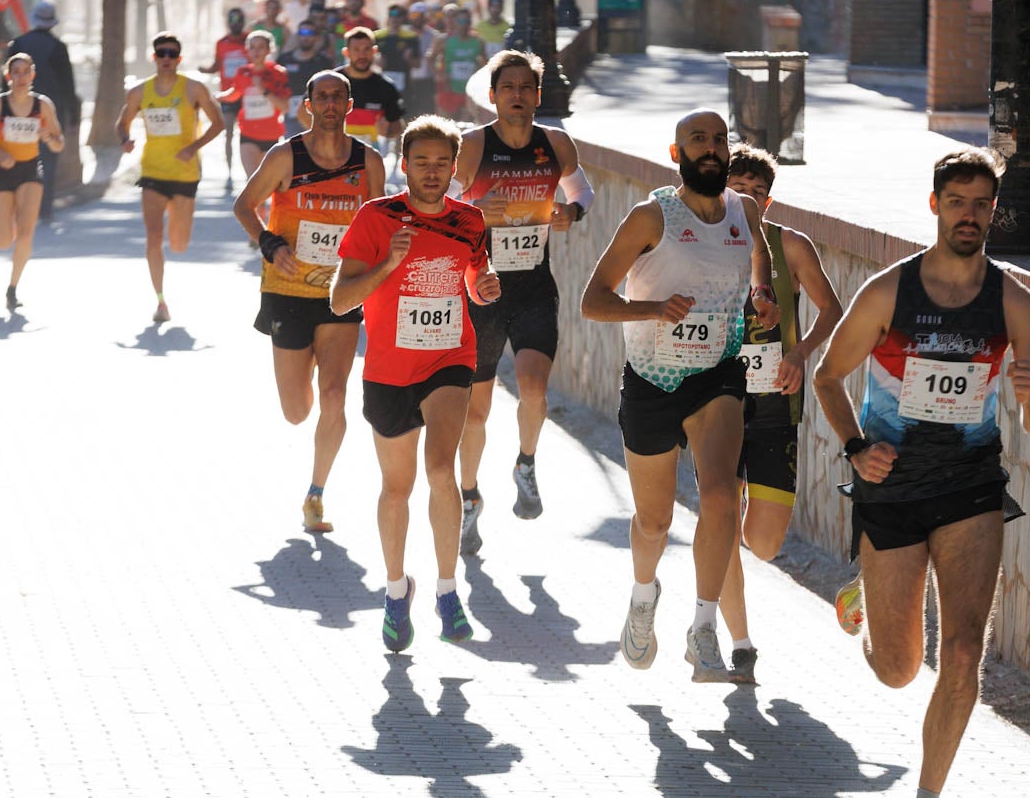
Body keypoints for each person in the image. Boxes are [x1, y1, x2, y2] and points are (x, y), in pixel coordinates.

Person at [811, 147, 1030, 798]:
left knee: (964, 654)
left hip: (972, 489)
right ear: (935, 206)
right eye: (958, 202)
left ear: (994, 211)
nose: (969, 215)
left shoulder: (1014, 302)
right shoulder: (892, 290)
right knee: (898, 669)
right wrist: (856, 448)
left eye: (982, 203)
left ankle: (929, 792)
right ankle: (865, 592)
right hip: (890, 488)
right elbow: (827, 377)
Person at [580, 109, 779, 682]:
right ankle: (644, 598)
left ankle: (704, 628)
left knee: (720, 498)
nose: (711, 149)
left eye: (719, 140)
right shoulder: (652, 216)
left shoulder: (744, 211)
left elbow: (757, 259)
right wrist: (653, 310)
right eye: (699, 140)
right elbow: (594, 300)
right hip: (651, 379)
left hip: (717, 372)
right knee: (653, 522)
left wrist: (760, 295)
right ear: (676, 154)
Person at [329, 116, 501, 652]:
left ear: (455, 167)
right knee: (397, 488)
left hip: (450, 358)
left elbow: (473, 276)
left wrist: (485, 286)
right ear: (404, 165)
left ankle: (448, 592)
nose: (432, 172)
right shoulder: (375, 218)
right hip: (388, 369)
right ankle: (397, 589)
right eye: (421, 163)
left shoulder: (470, 219)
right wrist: (389, 263)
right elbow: (340, 300)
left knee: (440, 468)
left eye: (441, 163)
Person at [450, 50, 594, 554]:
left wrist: (570, 213)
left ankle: (526, 463)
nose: (516, 96)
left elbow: (583, 193)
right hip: (479, 288)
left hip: (534, 284)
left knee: (534, 389)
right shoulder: (470, 147)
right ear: (492, 96)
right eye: (507, 87)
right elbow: (436, 209)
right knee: (475, 411)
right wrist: (473, 210)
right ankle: (469, 498)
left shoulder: (555, 144)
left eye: (525, 88)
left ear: (537, 95)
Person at [235, 70, 385, 534]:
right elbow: (245, 205)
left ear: (349, 104)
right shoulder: (286, 156)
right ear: (308, 105)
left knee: (336, 395)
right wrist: (269, 243)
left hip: (341, 293)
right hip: (288, 291)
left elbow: (378, 222)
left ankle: (316, 494)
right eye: (322, 97)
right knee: (296, 411)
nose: (330, 104)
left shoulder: (368, 162)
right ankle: (306, 370)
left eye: (338, 97)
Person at [715, 144, 844, 683]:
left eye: (755, 195)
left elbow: (833, 309)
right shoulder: (700, 244)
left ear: (768, 201)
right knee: (720, 524)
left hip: (774, 405)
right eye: (735, 192)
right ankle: (739, 643)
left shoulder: (791, 247)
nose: (745, 203)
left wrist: (797, 353)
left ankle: (734, 539)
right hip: (716, 407)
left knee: (762, 543)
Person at [115, 33, 225, 322]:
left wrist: (193, 147)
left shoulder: (194, 89)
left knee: (179, 244)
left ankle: (172, 259)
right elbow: (122, 123)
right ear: (154, 58)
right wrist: (125, 140)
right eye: (161, 53)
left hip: (185, 174)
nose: (166, 58)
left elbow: (219, 124)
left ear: (179, 58)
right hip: (152, 172)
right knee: (154, 237)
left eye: (171, 54)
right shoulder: (139, 92)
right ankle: (160, 301)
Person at [0, 53, 65, 310]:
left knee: (26, 233)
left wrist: (48, 138)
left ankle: (12, 288)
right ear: (7, 76)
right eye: (16, 72)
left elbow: (58, 143)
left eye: (26, 72)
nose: (21, 77)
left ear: (32, 75)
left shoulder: (42, 105)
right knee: (4, 240)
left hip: (30, 170)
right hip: (1, 170)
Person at [7, 1, 77, 222]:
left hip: (18, 110)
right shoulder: (59, 48)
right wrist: (73, 116)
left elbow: (5, 82)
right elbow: (68, 85)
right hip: (49, 112)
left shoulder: (17, 44)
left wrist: (3, 109)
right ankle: (43, 209)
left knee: (17, 158)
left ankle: (18, 208)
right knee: (47, 162)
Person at [220, 30, 291, 183]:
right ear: (247, 50)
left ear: (269, 50)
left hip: (271, 136)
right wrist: (220, 96)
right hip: (248, 134)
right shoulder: (243, 72)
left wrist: (264, 90)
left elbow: (284, 107)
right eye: (252, 47)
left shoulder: (277, 73)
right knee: (253, 182)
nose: (256, 51)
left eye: (260, 47)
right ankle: (257, 208)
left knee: (268, 183)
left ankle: (265, 207)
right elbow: (235, 93)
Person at [199, 8, 251, 190]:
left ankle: (249, 175)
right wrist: (206, 70)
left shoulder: (250, 41)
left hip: (248, 95)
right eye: (232, 21)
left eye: (238, 21)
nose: (235, 24)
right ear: (228, 23)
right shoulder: (221, 43)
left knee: (248, 135)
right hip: (228, 95)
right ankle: (229, 175)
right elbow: (217, 65)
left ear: (243, 23)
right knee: (228, 133)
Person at [337, 27, 404, 150]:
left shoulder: (386, 87)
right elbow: (303, 112)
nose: (362, 55)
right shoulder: (331, 81)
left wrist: (387, 132)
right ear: (346, 53)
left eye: (366, 49)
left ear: (374, 51)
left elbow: (397, 127)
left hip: (370, 157)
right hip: (333, 155)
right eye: (356, 50)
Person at [433, 5, 485, 120]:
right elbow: (430, 57)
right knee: (445, 126)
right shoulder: (444, 40)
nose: (464, 24)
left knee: (465, 127)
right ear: (455, 22)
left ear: (470, 22)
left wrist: (479, 79)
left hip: (469, 91)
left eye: (467, 21)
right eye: (461, 21)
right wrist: (439, 74)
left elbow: (486, 64)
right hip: (449, 89)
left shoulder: (478, 41)